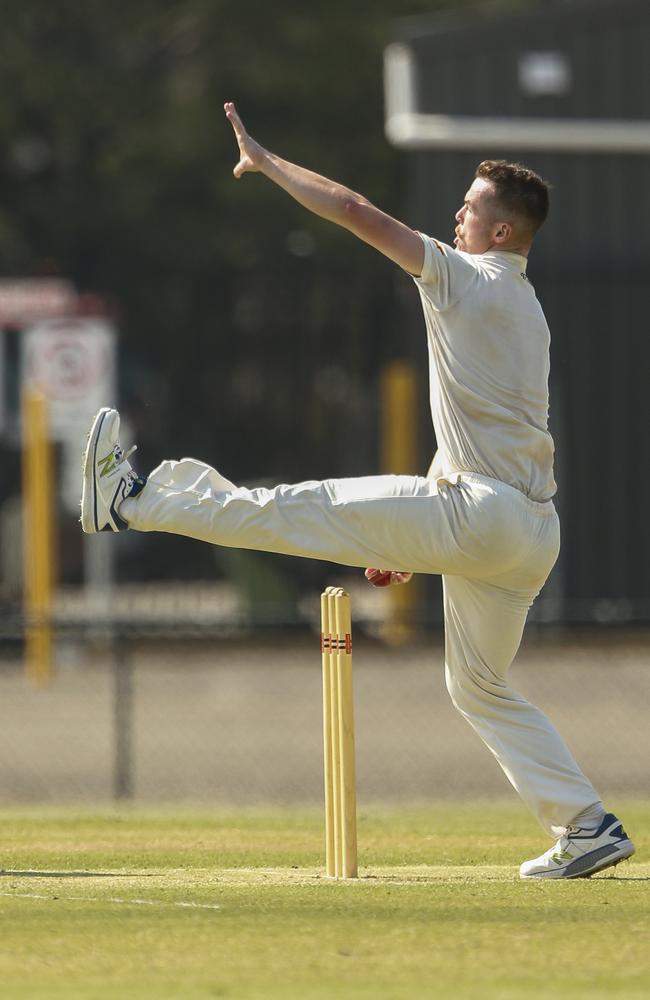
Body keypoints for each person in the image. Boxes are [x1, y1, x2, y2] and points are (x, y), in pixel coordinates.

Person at [80, 101, 634, 880]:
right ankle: (585, 826)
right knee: (477, 686)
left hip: (479, 516)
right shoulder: (529, 310)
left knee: (285, 508)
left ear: (502, 232)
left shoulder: (463, 277)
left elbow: (353, 211)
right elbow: (482, 427)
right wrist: (412, 542)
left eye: (471, 208)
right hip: (528, 532)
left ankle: (131, 500)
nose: (457, 215)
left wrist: (270, 166)